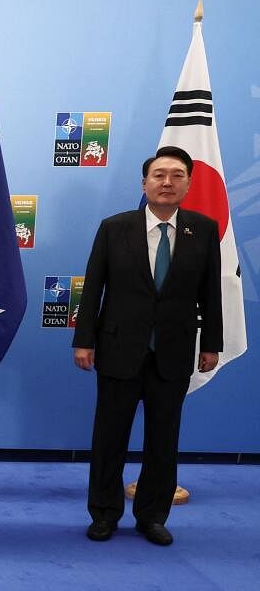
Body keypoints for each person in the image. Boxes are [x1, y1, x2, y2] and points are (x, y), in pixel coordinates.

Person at [74, 146, 222, 546]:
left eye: (176, 175)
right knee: (110, 438)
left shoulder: (204, 230)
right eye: (159, 175)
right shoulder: (114, 227)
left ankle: (153, 516)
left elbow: (211, 293)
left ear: (188, 184)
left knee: (163, 440)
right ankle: (104, 514)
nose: (167, 182)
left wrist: (211, 344)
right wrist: (83, 340)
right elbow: (93, 289)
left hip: (173, 354)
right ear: (145, 183)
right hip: (119, 350)